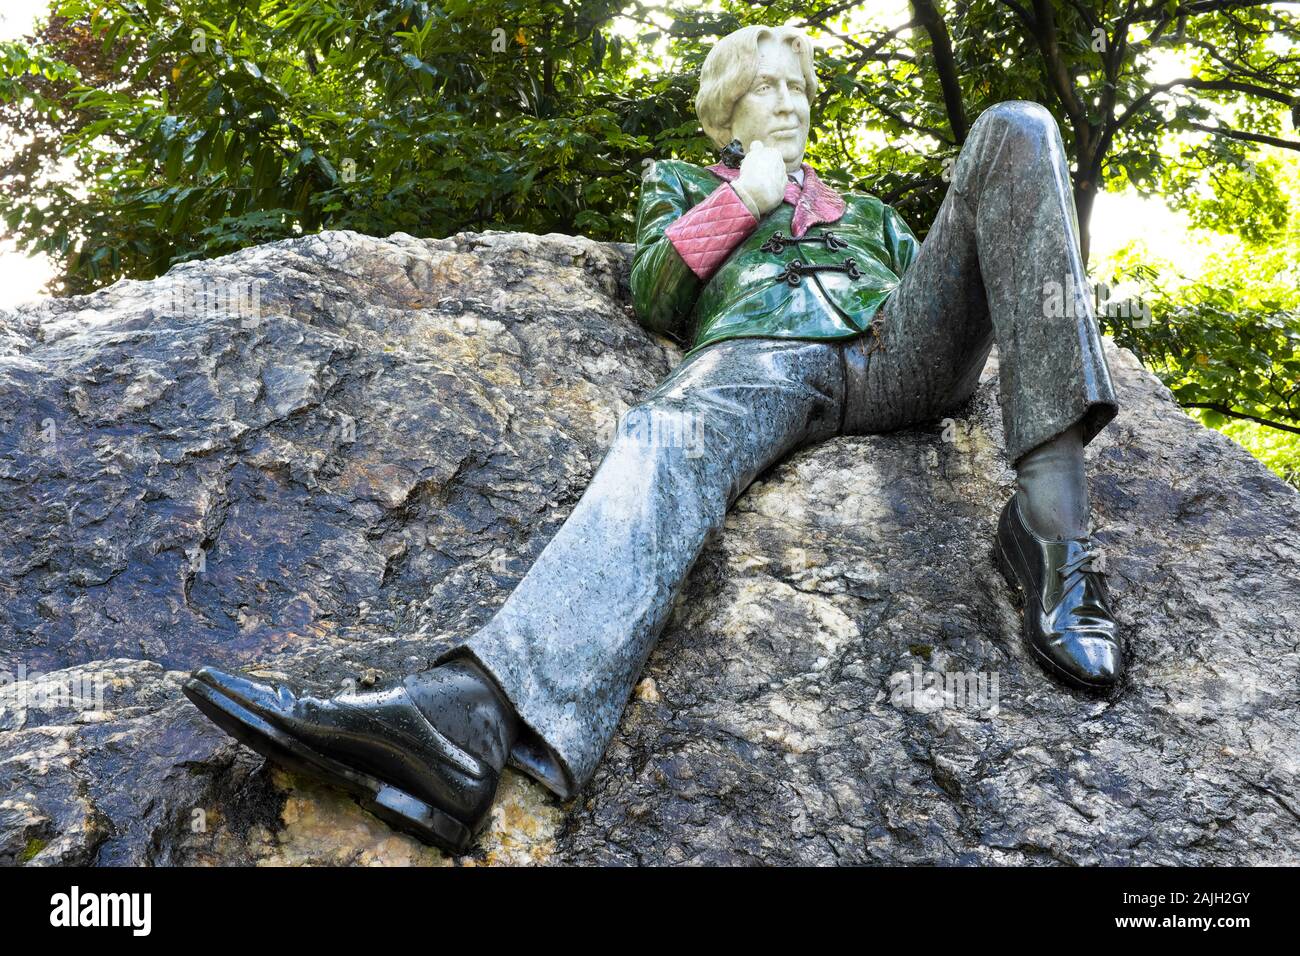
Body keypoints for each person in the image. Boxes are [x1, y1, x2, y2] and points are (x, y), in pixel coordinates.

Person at [184, 24, 1122, 853]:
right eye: (765, 86)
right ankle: (466, 724)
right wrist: (743, 202)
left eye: (798, 86)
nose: (788, 99)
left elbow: (970, 307)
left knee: (1018, 125)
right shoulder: (678, 183)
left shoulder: (872, 214)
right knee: (668, 436)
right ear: (724, 112)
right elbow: (657, 295)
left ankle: (1051, 533)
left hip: (898, 348)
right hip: (764, 353)